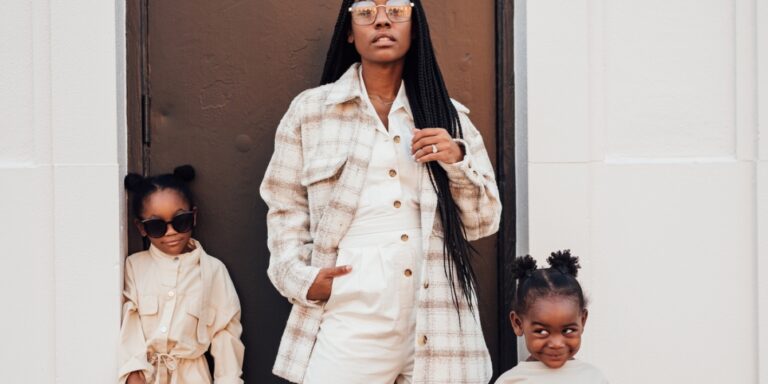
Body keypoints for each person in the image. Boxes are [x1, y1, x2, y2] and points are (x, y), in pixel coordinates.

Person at [259, 0, 502, 382]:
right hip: (352, 304)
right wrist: (302, 279)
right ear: (350, 33)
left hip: (436, 306)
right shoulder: (311, 112)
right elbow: (284, 206)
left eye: (397, 10)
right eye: (366, 12)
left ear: (415, 28)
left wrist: (456, 160)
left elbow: (483, 220)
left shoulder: (448, 116)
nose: (383, 20)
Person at [119, 165, 245, 384]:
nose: (171, 233)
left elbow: (225, 334)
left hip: (193, 376)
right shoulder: (134, 266)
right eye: (157, 226)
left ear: (193, 216)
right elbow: (129, 319)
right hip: (146, 377)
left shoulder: (213, 270)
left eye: (180, 222)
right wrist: (133, 369)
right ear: (141, 228)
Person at [495, 251, 609, 383]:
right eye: (541, 331)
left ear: (582, 320)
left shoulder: (593, 378)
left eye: (568, 331)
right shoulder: (511, 381)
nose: (556, 344)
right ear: (518, 323)